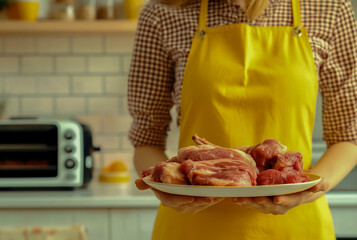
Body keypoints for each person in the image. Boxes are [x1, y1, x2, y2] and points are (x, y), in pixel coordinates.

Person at [127, 0, 357, 239]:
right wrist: (165, 185)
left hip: (295, 225)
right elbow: (146, 140)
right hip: (192, 224)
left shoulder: (329, 8)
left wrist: (310, 192)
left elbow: (348, 136)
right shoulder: (162, 12)